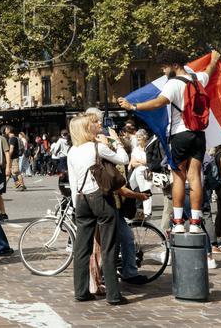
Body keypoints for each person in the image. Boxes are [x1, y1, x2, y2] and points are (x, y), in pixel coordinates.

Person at [118, 49, 221, 234]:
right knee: (195, 177)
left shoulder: (174, 84)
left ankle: (179, 221)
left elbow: (159, 102)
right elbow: (209, 71)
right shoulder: (197, 79)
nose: (164, 72)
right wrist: (214, 59)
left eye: (165, 68)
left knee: (179, 177)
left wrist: (133, 106)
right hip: (198, 134)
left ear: (175, 66)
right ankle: (196, 222)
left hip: (180, 134)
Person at [66, 114, 129, 305]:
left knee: (82, 248)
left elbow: (73, 181)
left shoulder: (72, 151)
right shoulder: (97, 147)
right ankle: (113, 295)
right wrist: (116, 141)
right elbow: (124, 159)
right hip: (99, 198)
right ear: (87, 129)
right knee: (109, 246)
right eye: (94, 123)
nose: (98, 125)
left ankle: (81, 291)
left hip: (81, 198)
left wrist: (77, 206)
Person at [127, 129, 153, 217]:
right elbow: (133, 163)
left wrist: (139, 160)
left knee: (148, 189)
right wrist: (142, 162)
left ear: (144, 137)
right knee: (143, 190)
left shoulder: (148, 147)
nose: (138, 138)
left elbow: (148, 161)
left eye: (140, 136)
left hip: (148, 172)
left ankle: (147, 212)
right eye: (137, 136)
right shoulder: (135, 149)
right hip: (139, 172)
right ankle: (146, 212)